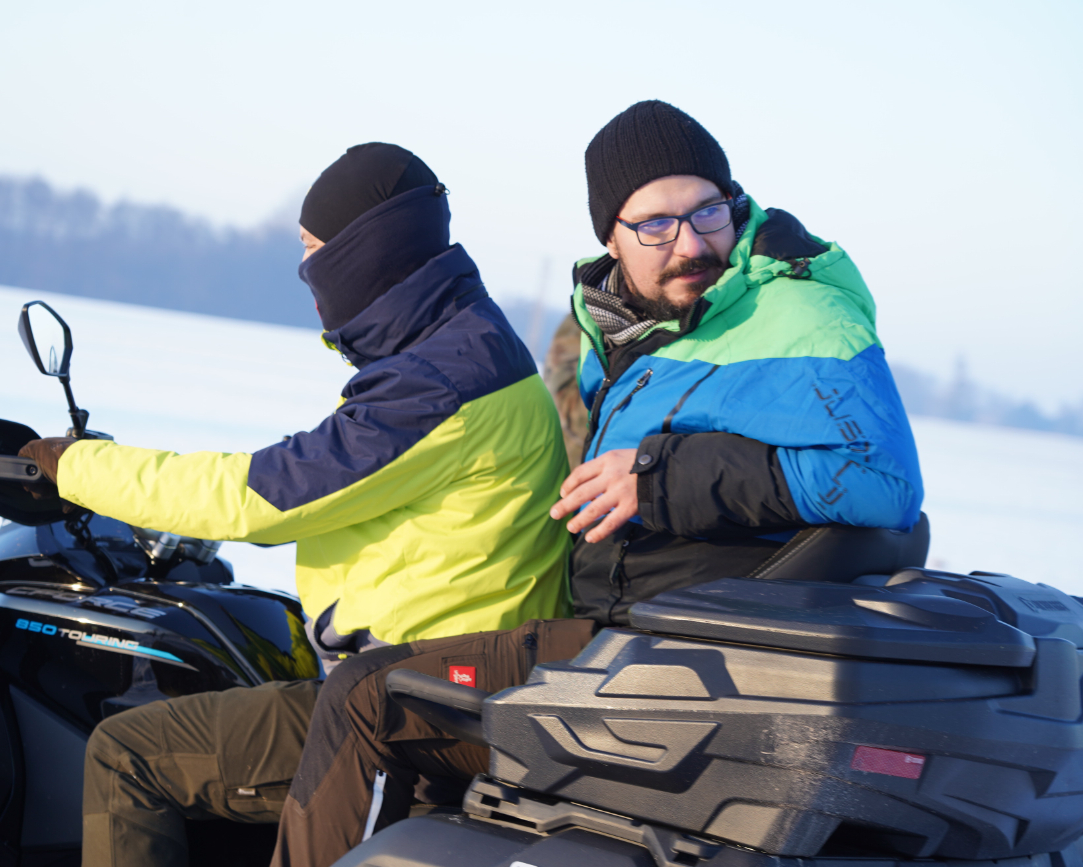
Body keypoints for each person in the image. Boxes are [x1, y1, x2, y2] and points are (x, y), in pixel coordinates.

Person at [270, 100, 924, 867]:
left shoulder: (800, 313)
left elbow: (884, 482)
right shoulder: (622, 326)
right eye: (655, 225)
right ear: (610, 236)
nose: (689, 242)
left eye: (707, 211)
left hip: (681, 651)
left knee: (365, 695)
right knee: (415, 715)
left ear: (734, 201)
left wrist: (661, 478)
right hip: (623, 628)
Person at [18, 142, 573, 865]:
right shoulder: (467, 345)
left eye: (314, 253)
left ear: (365, 253)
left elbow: (263, 494)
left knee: (129, 753)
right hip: (436, 680)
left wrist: (77, 465)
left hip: (416, 705)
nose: (307, 275)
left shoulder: (440, 380)